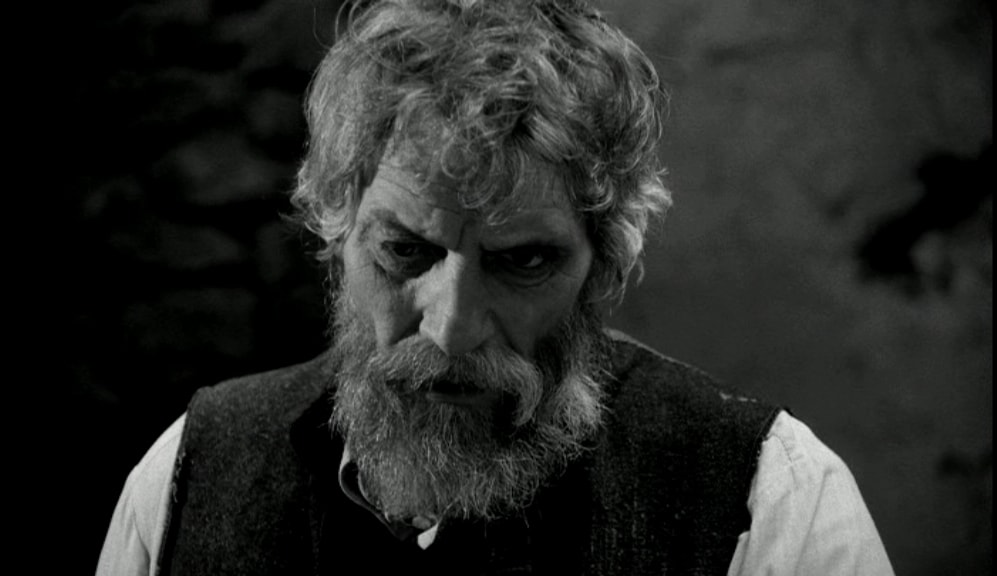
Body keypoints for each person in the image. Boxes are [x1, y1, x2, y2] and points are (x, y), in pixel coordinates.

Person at [97, 0, 895, 574]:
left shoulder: (771, 503)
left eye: (522, 262)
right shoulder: (190, 478)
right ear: (336, 232)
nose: (451, 327)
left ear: (603, 269)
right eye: (405, 252)